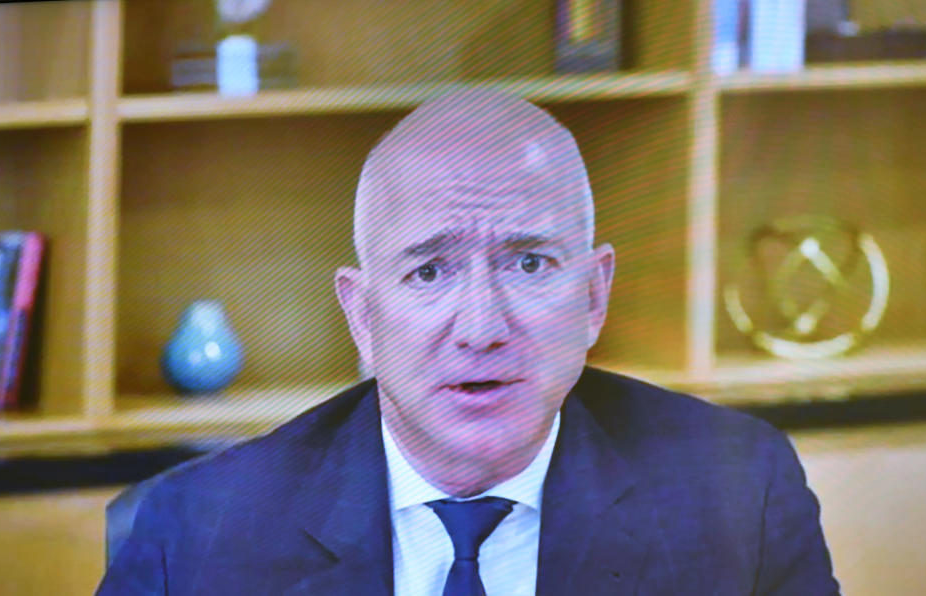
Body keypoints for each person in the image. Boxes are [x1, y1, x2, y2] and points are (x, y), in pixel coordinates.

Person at [97, 89, 839, 595]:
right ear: (362, 317)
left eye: (528, 263)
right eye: (428, 272)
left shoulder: (741, 496)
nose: (481, 329)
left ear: (593, 295)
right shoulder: (193, 538)